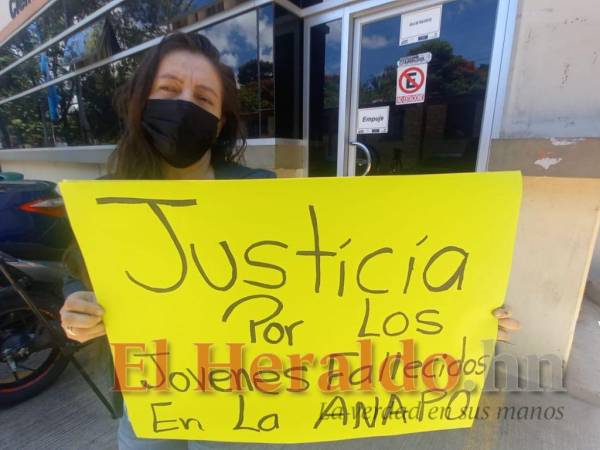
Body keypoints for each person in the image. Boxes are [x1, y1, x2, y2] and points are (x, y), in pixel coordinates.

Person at [59, 32, 520, 450]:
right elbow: (76, 273)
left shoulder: (260, 192)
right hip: (148, 397)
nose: (184, 105)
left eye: (203, 97)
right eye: (169, 89)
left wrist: (464, 316)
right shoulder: (104, 200)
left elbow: (328, 284)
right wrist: (78, 309)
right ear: (142, 100)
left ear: (219, 121)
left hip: (240, 400)